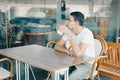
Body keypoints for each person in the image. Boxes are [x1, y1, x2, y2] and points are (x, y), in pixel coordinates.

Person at [55, 11, 95, 80]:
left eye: (70, 20)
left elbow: (78, 54)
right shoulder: (70, 31)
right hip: (73, 61)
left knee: (70, 78)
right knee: (57, 72)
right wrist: (67, 51)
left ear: (77, 22)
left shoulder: (87, 34)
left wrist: (69, 35)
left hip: (86, 64)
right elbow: (57, 46)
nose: (67, 22)